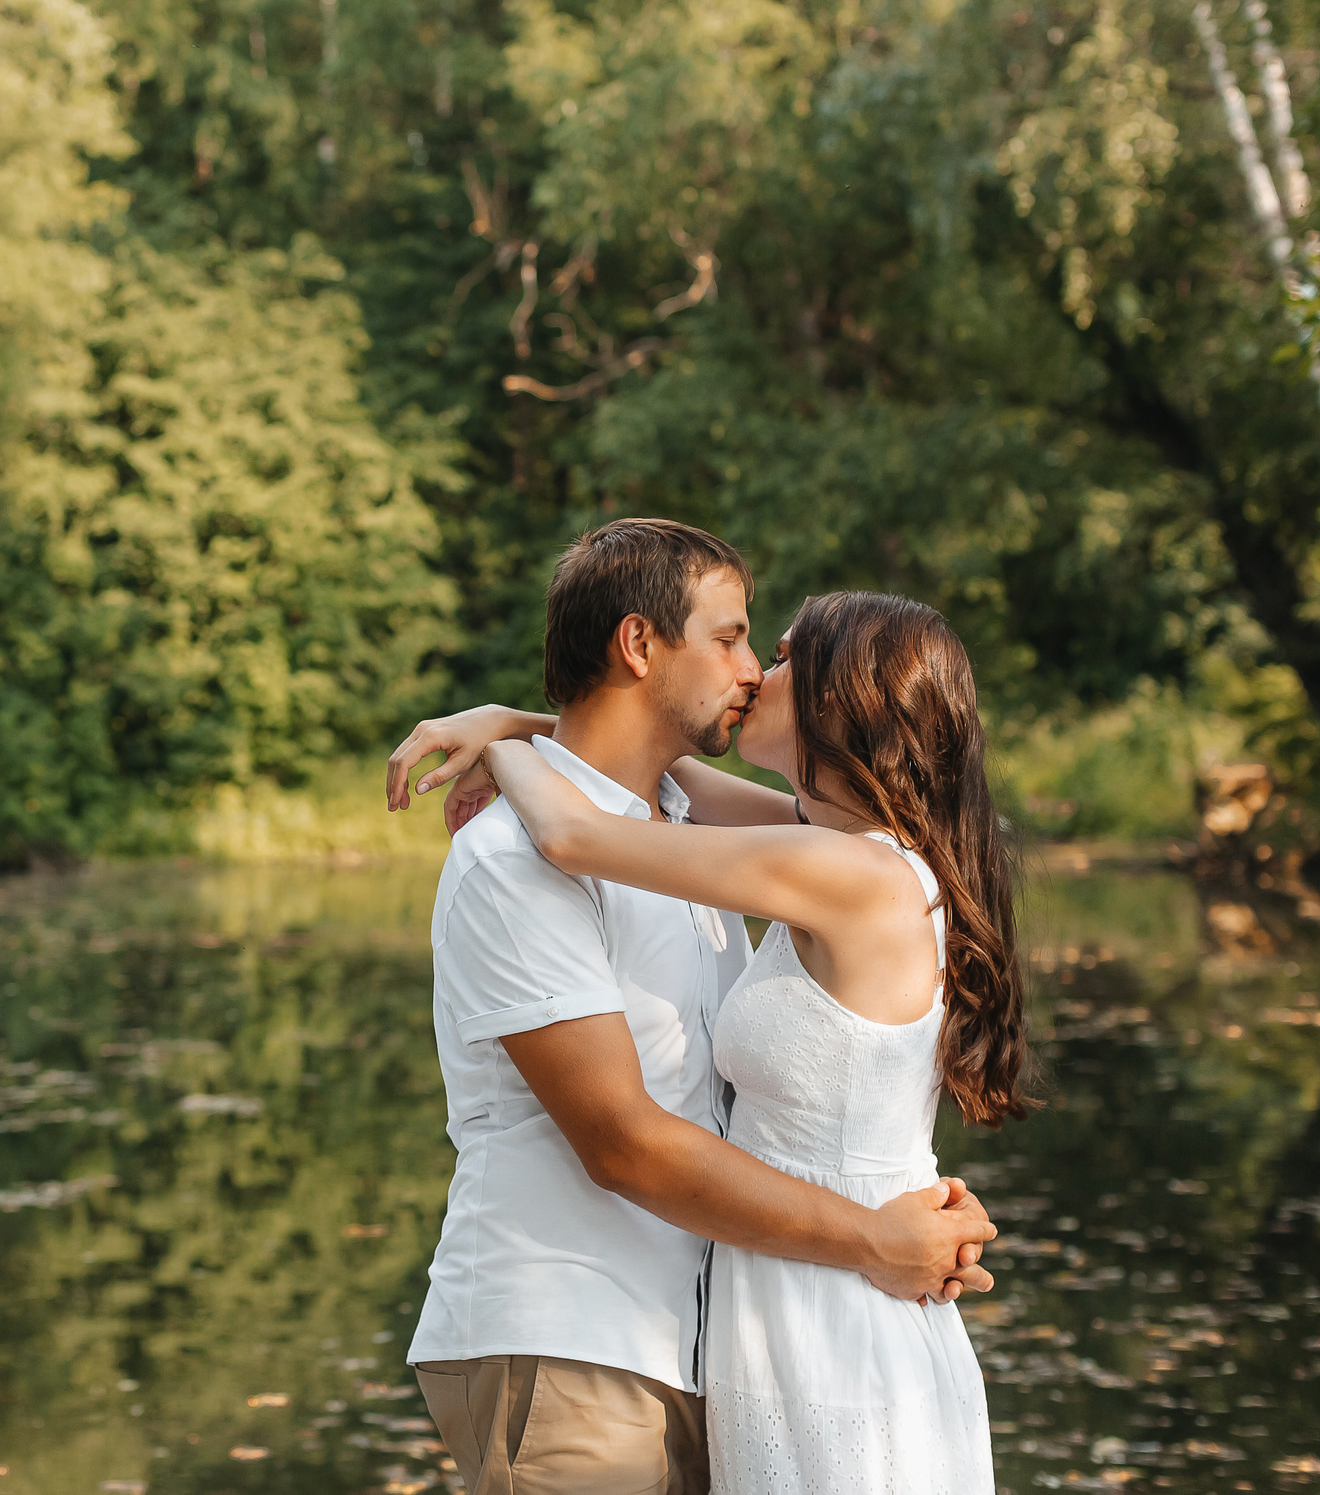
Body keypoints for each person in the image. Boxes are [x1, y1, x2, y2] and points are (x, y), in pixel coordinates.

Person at [382, 520, 1007, 1495]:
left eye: (776, 653)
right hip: (580, 1333)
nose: (753, 672)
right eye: (734, 638)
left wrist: (506, 734)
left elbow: (582, 824)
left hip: (763, 1322)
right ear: (639, 644)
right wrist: (514, 734)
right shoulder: (525, 858)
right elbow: (622, 1141)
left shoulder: (796, 856)